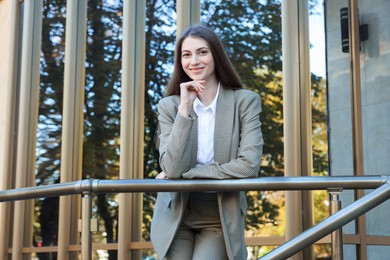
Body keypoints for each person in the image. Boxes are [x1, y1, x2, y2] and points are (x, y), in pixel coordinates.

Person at [150, 24, 264, 260]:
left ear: (216, 55)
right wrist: (185, 109)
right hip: (176, 212)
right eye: (186, 54)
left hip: (219, 214)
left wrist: (191, 174)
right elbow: (171, 169)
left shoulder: (245, 102)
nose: (194, 61)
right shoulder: (170, 106)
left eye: (202, 52)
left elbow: (248, 165)